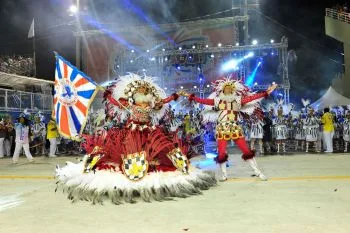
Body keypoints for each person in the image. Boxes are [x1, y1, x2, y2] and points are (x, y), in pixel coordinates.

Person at [56, 74, 216, 204]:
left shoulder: (152, 103)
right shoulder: (128, 103)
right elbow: (115, 102)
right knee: (122, 151)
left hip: (151, 132)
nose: (145, 102)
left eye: (146, 94)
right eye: (141, 92)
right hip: (130, 131)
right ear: (134, 95)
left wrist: (175, 96)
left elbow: (164, 101)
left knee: (163, 150)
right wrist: (107, 94)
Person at [180, 77, 277, 181]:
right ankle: (224, 175)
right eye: (225, 88)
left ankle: (258, 172)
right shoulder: (217, 101)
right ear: (222, 90)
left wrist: (267, 92)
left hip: (234, 127)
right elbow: (203, 100)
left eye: (230, 88)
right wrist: (189, 95)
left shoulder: (238, 100)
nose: (228, 89)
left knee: (246, 150)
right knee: (221, 153)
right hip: (222, 128)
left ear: (233, 90)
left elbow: (253, 98)